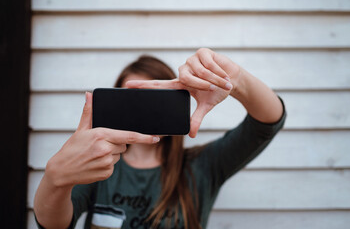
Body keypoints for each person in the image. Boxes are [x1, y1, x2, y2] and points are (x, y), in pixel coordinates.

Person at [34, 48, 286, 229]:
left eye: (153, 99)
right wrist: (55, 180)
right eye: (134, 101)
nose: (143, 112)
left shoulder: (201, 166)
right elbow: (54, 224)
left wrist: (236, 79)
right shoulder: (99, 166)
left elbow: (266, 124)